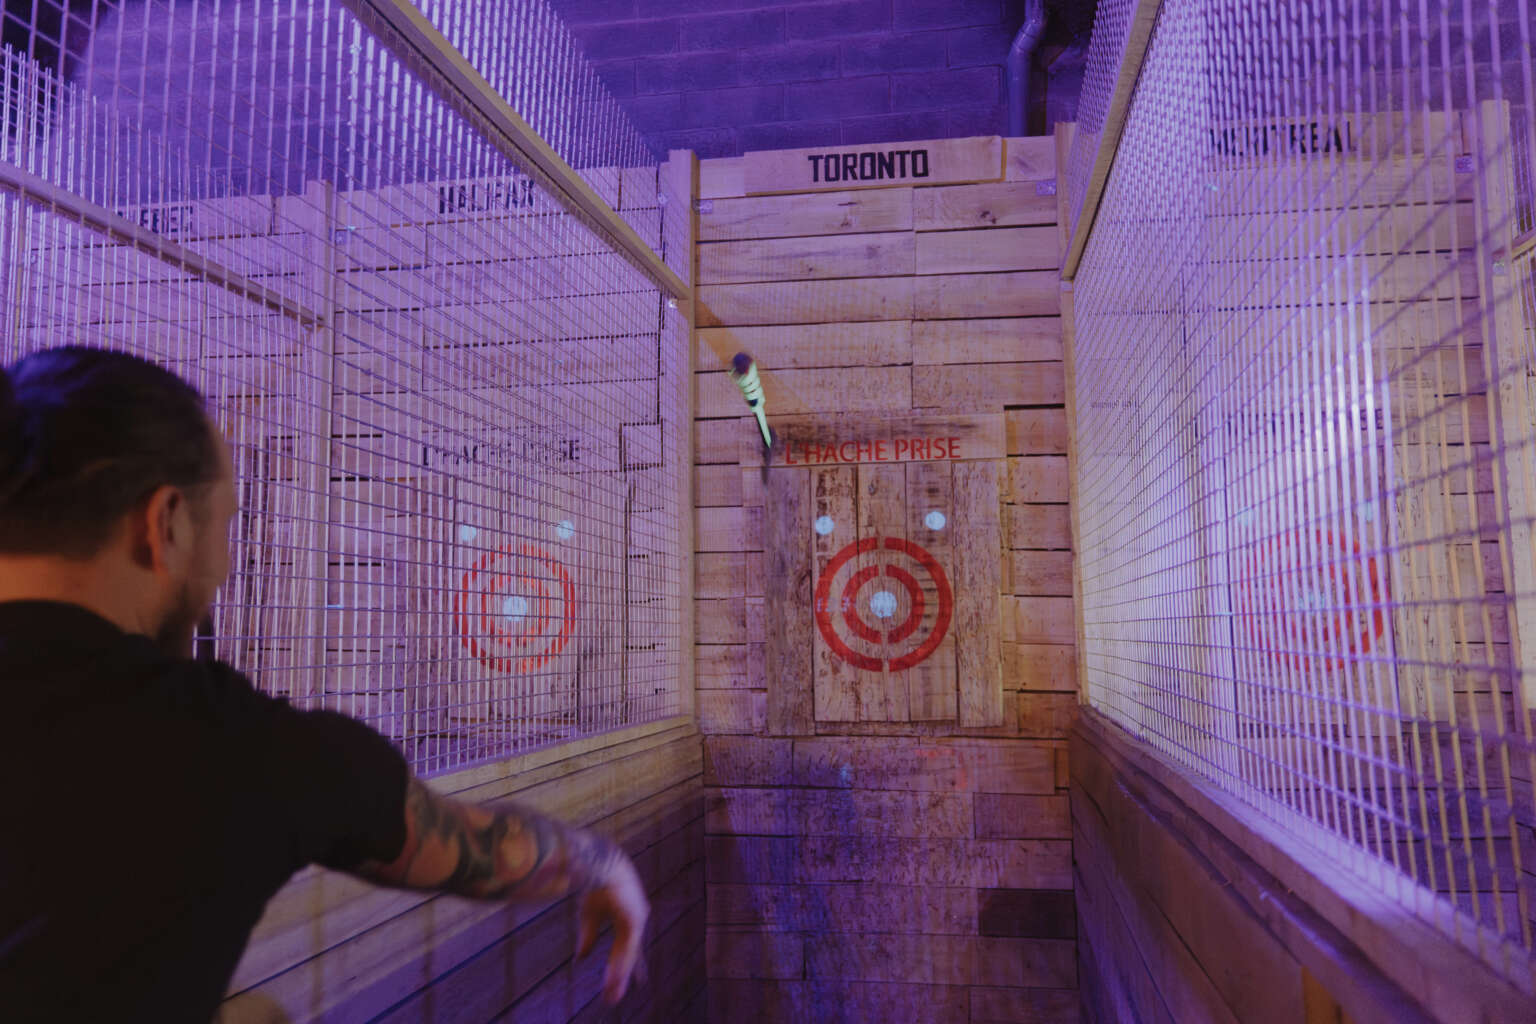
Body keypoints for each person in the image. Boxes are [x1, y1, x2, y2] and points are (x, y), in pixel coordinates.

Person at [0, 346, 649, 1021]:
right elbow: (496, 853)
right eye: (224, 525)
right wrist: (605, 863)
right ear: (163, 524)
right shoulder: (232, 747)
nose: (224, 563)